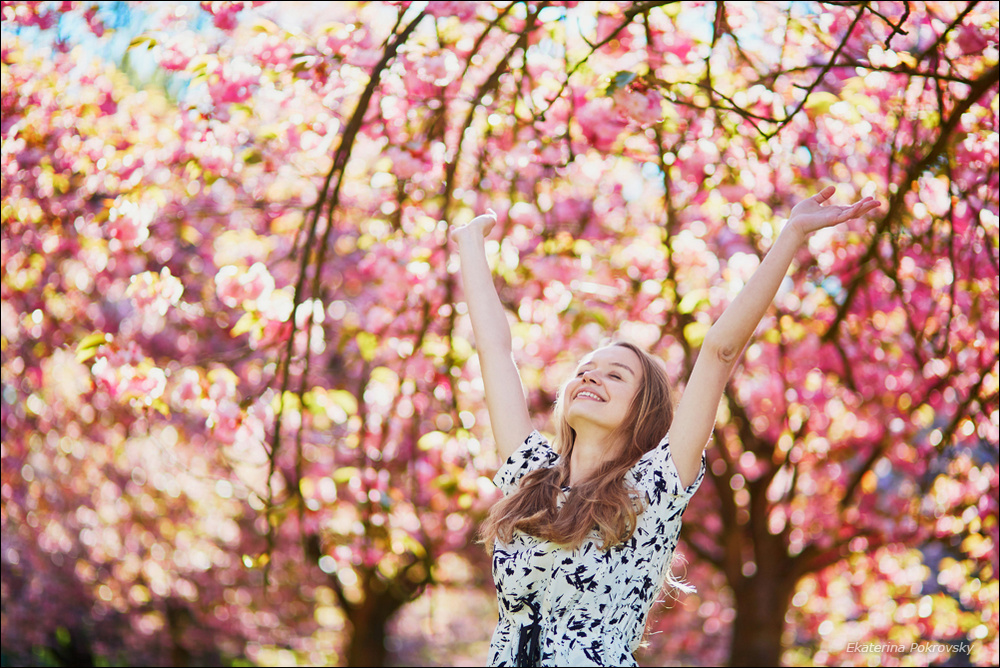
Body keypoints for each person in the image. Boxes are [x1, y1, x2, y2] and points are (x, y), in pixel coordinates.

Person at [450, 186, 880, 667]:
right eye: (585, 369)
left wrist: (792, 235)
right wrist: (470, 245)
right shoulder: (530, 476)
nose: (590, 375)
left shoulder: (653, 486)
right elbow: (495, 352)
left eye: (616, 375)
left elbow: (719, 352)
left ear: (643, 411)